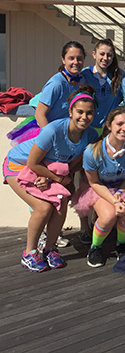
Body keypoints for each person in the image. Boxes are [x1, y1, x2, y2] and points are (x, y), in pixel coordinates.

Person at [3, 85, 98, 272]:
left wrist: (55, 177)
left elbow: (76, 163)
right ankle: (29, 253)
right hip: (18, 165)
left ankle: (50, 249)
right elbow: (32, 163)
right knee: (43, 207)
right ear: (70, 111)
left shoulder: (90, 135)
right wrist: (56, 178)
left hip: (48, 170)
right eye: (79, 112)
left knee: (61, 202)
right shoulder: (54, 130)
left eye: (89, 113)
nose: (84, 117)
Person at [72, 106, 125, 267]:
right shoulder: (92, 151)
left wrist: (121, 192)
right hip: (99, 188)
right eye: (119, 124)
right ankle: (95, 247)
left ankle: (121, 245)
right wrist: (115, 201)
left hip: (124, 187)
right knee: (109, 216)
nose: (124, 129)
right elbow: (93, 182)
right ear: (109, 125)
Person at [35, 41, 87, 127]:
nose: (76, 62)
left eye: (79, 58)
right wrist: (50, 136)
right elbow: (39, 114)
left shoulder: (82, 80)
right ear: (63, 60)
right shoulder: (56, 83)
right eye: (71, 58)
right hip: (50, 129)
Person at [81, 38, 125, 132]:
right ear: (94, 54)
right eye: (102, 54)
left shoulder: (118, 75)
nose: (105, 58)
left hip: (110, 129)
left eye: (109, 55)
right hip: (88, 128)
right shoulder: (84, 75)